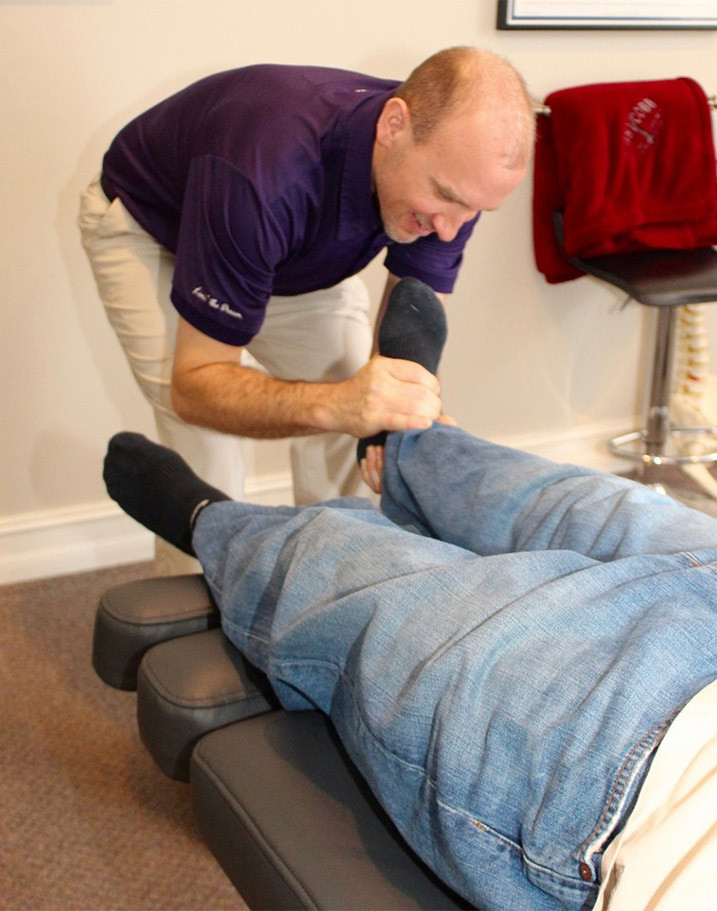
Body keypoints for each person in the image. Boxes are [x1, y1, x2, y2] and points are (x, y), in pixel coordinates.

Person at [102, 279, 716, 910]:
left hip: (655, 761)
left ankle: (209, 520)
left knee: (381, 584)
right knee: (591, 504)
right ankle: (408, 443)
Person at [79, 46, 535, 573]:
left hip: (290, 254)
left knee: (365, 410)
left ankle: (330, 586)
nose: (453, 230)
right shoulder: (266, 168)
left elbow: (412, 321)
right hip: (157, 234)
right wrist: (338, 405)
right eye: (444, 198)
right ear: (394, 125)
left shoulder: (454, 183)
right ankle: (190, 626)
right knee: (206, 450)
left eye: (475, 210)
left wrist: (395, 415)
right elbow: (196, 387)